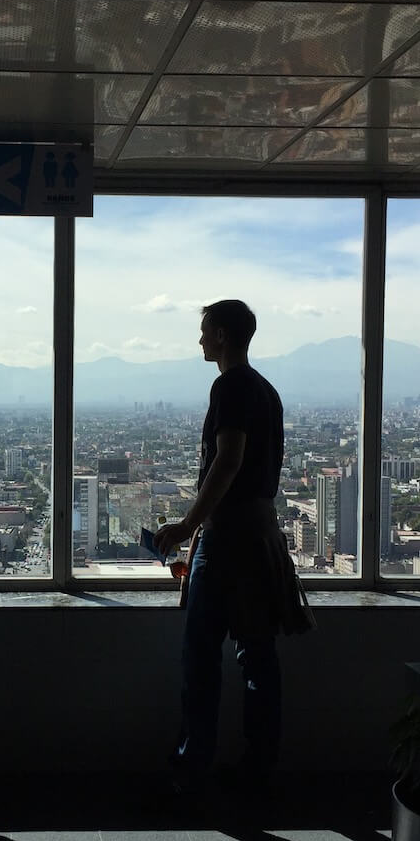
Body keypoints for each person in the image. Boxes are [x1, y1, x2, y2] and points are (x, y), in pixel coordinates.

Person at [155, 299, 285, 800]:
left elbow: (228, 460)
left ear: (224, 336)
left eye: (206, 331)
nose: (201, 340)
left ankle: (193, 765)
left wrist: (190, 525)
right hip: (261, 533)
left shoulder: (230, 386)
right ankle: (259, 767)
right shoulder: (266, 391)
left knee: (201, 654)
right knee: (257, 655)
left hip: (228, 535)